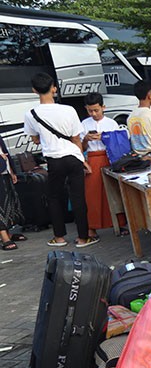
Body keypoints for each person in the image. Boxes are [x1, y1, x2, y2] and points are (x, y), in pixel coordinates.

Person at [23, 72, 96, 248]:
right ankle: (83, 237)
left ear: (34, 90)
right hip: (73, 157)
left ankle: (59, 237)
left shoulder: (31, 114)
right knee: (78, 196)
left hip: (54, 160)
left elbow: (35, 139)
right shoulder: (69, 110)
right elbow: (76, 139)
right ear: (54, 88)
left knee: (54, 197)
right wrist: (82, 159)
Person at [81, 92, 127, 240]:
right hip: (92, 159)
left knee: (113, 192)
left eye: (96, 110)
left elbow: (118, 143)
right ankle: (92, 227)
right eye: (90, 111)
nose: (93, 114)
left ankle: (119, 223)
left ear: (103, 107)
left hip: (109, 158)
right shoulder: (84, 124)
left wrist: (105, 137)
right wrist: (86, 140)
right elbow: (80, 147)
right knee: (92, 194)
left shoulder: (111, 123)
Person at [0, 136, 25, 251]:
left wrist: (12, 169)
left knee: (8, 201)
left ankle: (8, 232)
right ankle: (4, 236)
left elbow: (4, 149)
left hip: (4, 169)